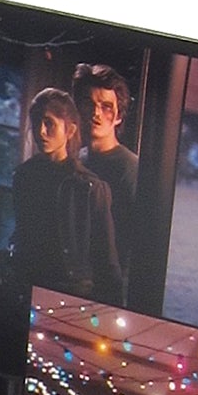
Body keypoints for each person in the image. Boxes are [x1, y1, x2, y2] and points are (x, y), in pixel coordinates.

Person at [11, 87, 123, 300]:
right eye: (36, 122)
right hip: (28, 283)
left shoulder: (90, 188)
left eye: (49, 123)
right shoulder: (24, 176)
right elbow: (22, 233)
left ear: (70, 130)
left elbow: (107, 260)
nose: (41, 131)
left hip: (72, 290)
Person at [74, 63, 140, 261]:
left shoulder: (131, 168)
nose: (96, 113)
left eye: (106, 107)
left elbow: (135, 239)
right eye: (89, 103)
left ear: (118, 116)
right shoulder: (75, 159)